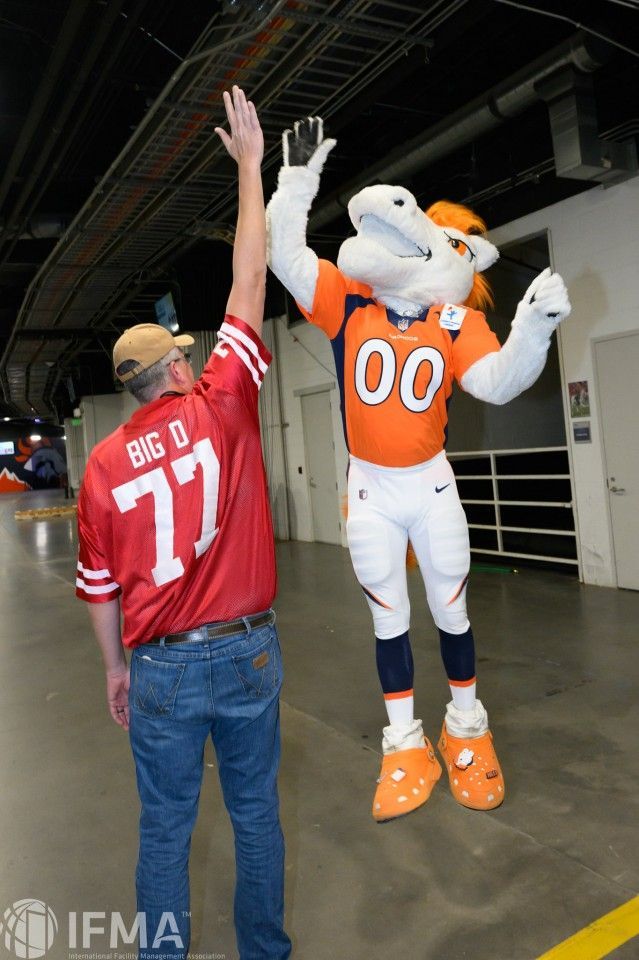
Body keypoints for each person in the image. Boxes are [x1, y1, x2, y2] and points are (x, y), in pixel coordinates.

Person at [266, 116, 570, 822]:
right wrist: (297, 177)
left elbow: (494, 381)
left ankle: (466, 725)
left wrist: (531, 330)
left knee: (451, 608)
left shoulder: (454, 321)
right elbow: (286, 254)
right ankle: (402, 739)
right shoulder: (348, 304)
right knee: (387, 621)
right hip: (371, 487)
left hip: (430, 484)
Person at [76, 86, 291, 960]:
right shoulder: (224, 402)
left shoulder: (99, 466)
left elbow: (98, 589)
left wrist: (114, 669)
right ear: (171, 373)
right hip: (245, 651)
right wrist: (249, 166)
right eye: (183, 355)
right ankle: (264, 953)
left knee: (164, 830)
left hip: (159, 665)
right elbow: (249, 277)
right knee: (255, 817)